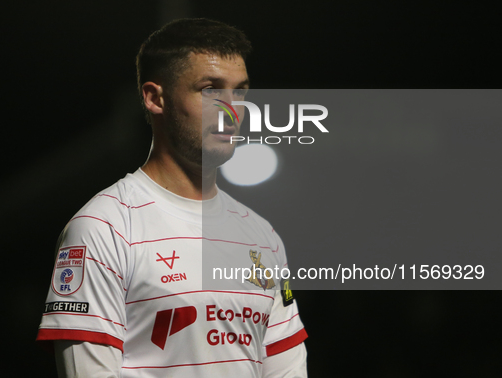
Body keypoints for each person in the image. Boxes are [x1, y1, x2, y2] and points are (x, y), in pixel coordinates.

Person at [37, 18, 308, 377]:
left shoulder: (264, 237)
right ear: (154, 98)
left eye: (239, 92)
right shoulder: (103, 228)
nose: (231, 111)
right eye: (210, 89)